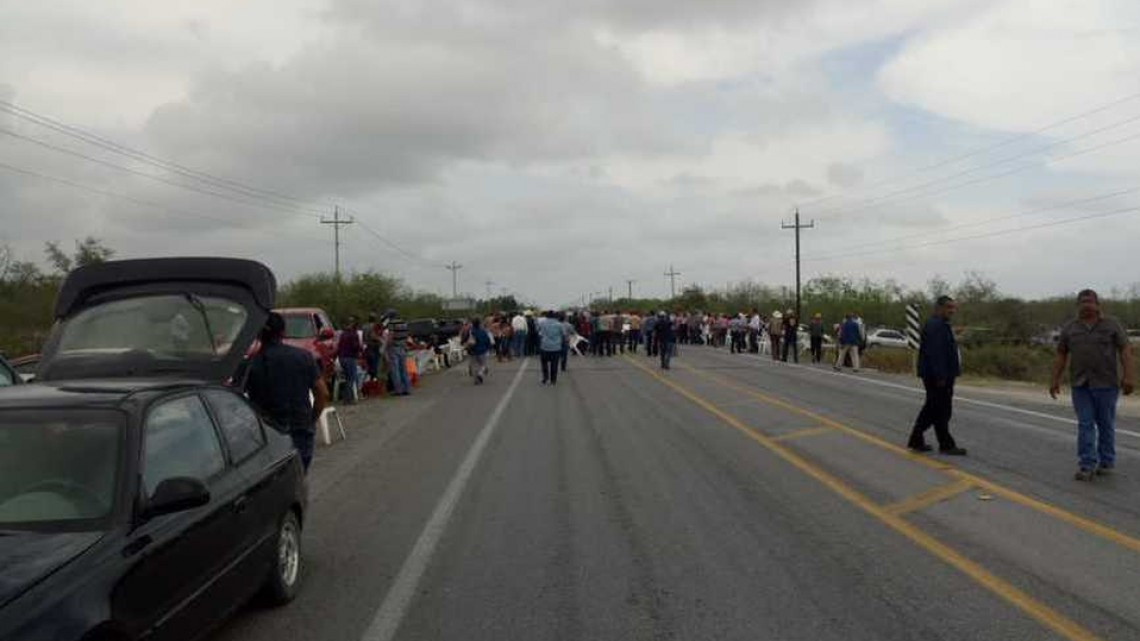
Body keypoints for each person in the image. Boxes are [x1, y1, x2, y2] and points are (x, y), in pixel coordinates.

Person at [1050, 289, 1135, 480]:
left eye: (1089, 301)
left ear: (1097, 304)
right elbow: (1061, 355)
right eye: (1082, 302)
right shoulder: (1070, 328)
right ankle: (1086, 465)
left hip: (1107, 384)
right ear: (1077, 305)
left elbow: (1125, 350)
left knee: (1105, 424)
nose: (1085, 305)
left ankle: (1106, 462)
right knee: (1085, 424)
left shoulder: (1112, 325)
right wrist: (1054, 379)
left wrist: (1129, 376)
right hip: (1081, 385)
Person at [246, 312, 329, 472]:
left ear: (258, 334)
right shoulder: (303, 356)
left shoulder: (250, 364)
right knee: (297, 480)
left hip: (268, 435)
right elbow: (322, 393)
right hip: (300, 429)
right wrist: (312, 418)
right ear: (283, 332)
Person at [908, 296, 967, 455]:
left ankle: (924, 440)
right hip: (938, 376)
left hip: (942, 374)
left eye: (953, 308)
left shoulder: (941, 325)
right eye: (949, 308)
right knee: (937, 409)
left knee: (937, 409)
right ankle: (942, 443)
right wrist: (940, 376)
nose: (952, 311)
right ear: (939, 308)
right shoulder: (936, 325)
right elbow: (936, 353)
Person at [383, 309, 411, 396]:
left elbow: (390, 336)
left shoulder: (391, 324)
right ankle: (407, 388)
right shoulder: (403, 323)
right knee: (403, 369)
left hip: (394, 347)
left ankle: (398, 390)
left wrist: (386, 346)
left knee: (395, 370)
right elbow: (407, 335)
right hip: (402, 346)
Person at [337, 316, 363, 402]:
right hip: (350, 358)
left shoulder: (343, 334)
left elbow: (339, 346)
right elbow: (355, 346)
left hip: (342, 358)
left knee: (348, 377)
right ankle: (347, 398)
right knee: (351, 378)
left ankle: (349, 397)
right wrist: (360, 349)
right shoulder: (353, 334)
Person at [537, 310, 566, 385]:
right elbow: (563, 335)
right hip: (556, 347)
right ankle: (553, 380)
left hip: (544, 346)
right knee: (554, 364)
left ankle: (545, 378)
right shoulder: (559, 325)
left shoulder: (542, 323)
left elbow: (539, 333)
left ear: (546, 316)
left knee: (544, 364)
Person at [465, 317, 493, 384]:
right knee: (483, 365)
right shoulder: (483, 331)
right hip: (482, 350)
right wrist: (489, 348)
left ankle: (476, 380)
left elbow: (465, 339)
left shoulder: (470, 331)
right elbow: (487, 341)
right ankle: (480, 374)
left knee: (474, 366)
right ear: (479, 324)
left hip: (472, 351)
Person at [364, 312, 383, 380]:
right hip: (374, 347)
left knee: (369, 365)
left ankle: (369, 380)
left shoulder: (364, 326)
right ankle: (374, 380)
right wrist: (381, 340)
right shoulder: (375, 326)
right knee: (375, 365)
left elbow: (364, 337)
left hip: (367, 346)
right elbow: (374, 336)